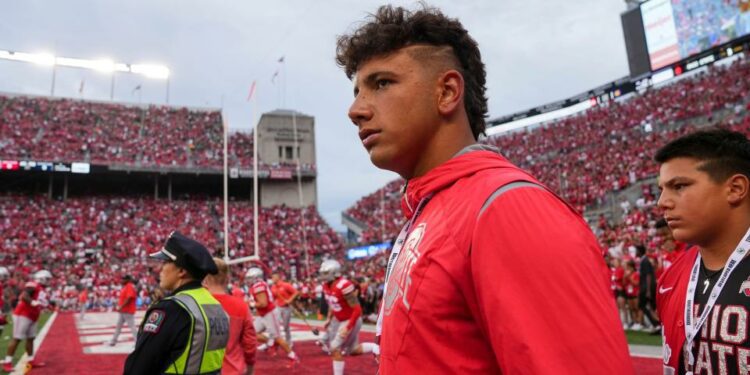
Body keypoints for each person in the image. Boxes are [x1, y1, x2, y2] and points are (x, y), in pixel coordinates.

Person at [336, 4, 632, 373]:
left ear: (446, 92)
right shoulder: (437, 207)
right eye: (357, 90)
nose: (355, 109)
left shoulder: (507, 208)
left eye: (381, 83)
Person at [655, 129, 750, 374]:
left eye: (679, 186)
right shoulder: (671, 278)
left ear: (735, 188)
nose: (662, 202)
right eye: (661, 189)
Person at [123, 231, 229, 375]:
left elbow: (139, 367)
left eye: (166, 262)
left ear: (181, 271)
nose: (161, 268)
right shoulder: (216, 306)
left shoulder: (171, 309)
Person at [318, 260, 378, 375]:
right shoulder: (326, 286)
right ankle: (379, 348)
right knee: (353, 350)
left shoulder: (344, 285)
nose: (322, 276)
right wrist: (328, 319)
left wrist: (348, 326)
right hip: (340, 320)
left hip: (351, 319)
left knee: (334, 348)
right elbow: (332, 304)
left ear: (334, 273)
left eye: (325, 273)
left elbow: (357, 309)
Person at [203, 258, 256, 375]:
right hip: (233, 369)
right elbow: (249, 342)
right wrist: (250, 366)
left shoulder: (196, 304)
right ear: (227, 279)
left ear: (205, 278)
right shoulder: (241, 306)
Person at [245, 267, 299, 366]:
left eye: (249, 278)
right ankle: (270, 342)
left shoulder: (258, 286)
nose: (248, 280)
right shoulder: (257, 285)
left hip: (269, 313)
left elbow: (263, 303)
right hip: (263, 314)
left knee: (277, 337)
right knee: (251, 331)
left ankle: (293, 356)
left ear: (256, 277)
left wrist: (250, 304)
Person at [3, 270, 51, 372]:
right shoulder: (33, 284)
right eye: (47, 279)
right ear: (41, 278)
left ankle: (31, 360)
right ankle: (7, 362)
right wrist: (32, 302)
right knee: (17, 338)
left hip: (32, 315)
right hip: (23, 314)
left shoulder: (41, 288)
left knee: (31, 338)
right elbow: (24, 296)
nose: (48, 281)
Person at [270, 272, 299, 346]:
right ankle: (272, 341)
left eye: (273, 277)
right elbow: (273, 297)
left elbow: (296, 292)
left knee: (286, 326)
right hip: (278, 307)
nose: (272, 279)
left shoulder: (286, 285)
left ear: (278, 277)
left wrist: (289, 300)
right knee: (274, 324)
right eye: (272, 277)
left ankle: (288, 341)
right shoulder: (273, 287)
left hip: (286, 308)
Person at [107, 275, 137, 346]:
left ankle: (138, 342)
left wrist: (121, 307)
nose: (121, 280)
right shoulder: (126, 287)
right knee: (118, 327)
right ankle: (113, 341)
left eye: (123, 279)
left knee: (132, 327)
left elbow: (129, 298)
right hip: (123, 311)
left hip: (127, 310)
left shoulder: (129, 286)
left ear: (128, 280)